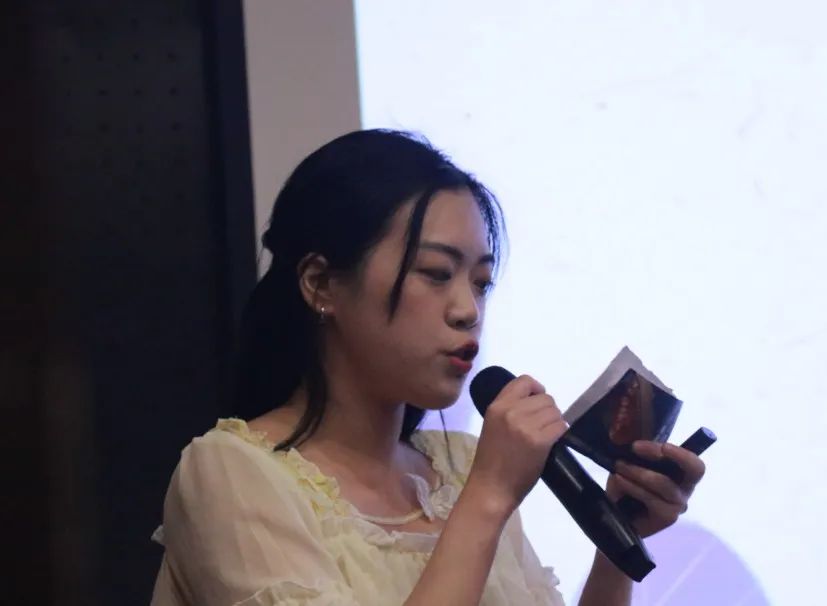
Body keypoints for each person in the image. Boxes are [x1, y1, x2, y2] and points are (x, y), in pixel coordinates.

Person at [149, 130, 706, 606]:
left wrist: (616, 541)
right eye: (437, 273)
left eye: (481, 283)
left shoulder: (459, 467)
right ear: (321, 284)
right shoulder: (231, 472)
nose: (468, 310)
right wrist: (487, 499)